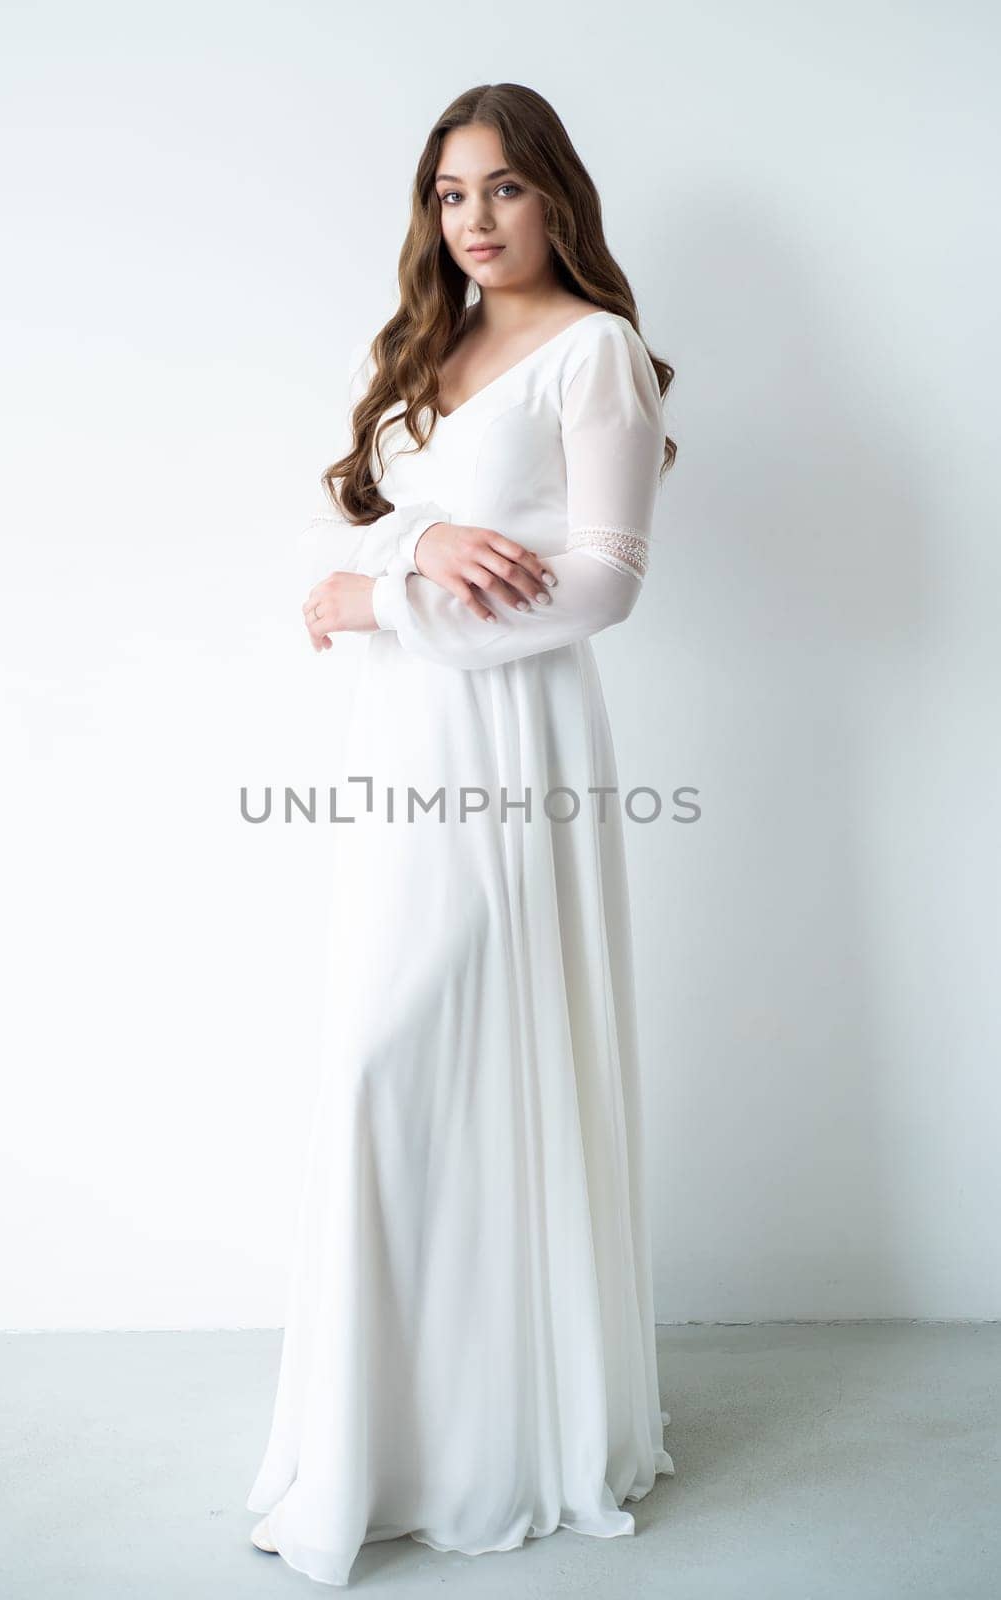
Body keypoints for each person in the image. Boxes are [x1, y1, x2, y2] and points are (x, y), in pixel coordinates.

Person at [245, 81, 677, 1588]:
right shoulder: (425, 352)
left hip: (512, 746)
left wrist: (387, 601)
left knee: (424, 1057)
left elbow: (607, 581)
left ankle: (507, 1437)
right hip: (402, 750)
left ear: (556, 195)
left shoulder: (596, 354)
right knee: (398, 1070)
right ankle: (395, 1443)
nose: (474, 220)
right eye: (449, 193)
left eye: (501, 188)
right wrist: (411, 540)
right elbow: (324, 526)